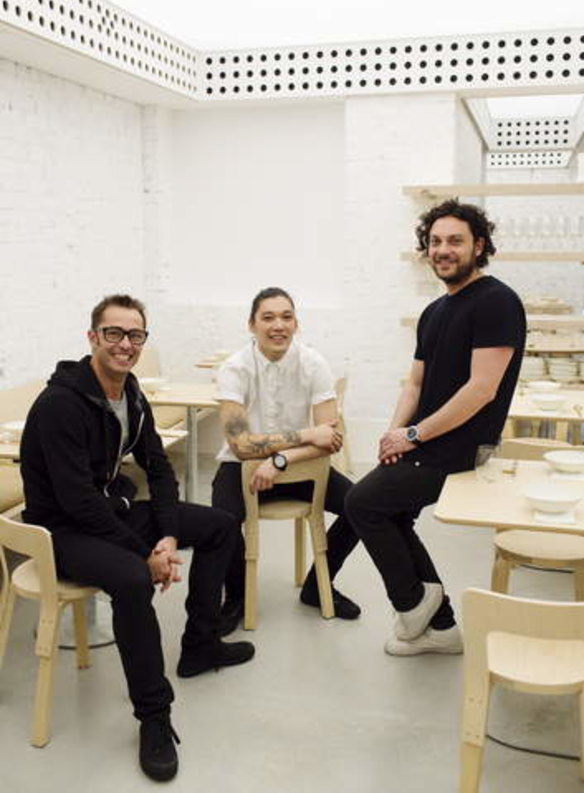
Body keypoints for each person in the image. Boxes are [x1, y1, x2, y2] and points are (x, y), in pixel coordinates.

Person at [20, 294, 255, 782]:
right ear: (92, 338)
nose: (125, 344)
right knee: (132, 580)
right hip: (62, 529)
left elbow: (159, 469)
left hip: (110, 514)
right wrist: (144, 552)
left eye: (135, 336)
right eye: (114, 334)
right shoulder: (61, 404)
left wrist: (166, 536)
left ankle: (200, 643)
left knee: (218, 525)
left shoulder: (131, 395)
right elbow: (76, 501)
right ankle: (154, 717)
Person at [345, 199, 526, 656]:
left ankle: (413, 606)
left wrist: (411, 436)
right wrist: (393, 435)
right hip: (426, 442)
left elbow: (481, 390)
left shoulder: (497, 302)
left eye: (455, 241)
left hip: (461, 449)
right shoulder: (434, 312)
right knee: (390, 511)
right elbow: (416, 383)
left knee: (362, 502)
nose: (444, 249)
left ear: (478, 246)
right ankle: (441, 628)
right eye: (436, 241)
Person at [212, 286, 361, 634]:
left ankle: (315, 588)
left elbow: (330, 439)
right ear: (251, 325)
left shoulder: (313, 362)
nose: (278, 325)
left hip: (298, 468)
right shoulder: (234, 368)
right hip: (240, 471)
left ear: (296, 324)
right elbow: (241, 447)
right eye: (268, 317)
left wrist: (280, 460)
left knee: (362, 506)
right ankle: (235, 597)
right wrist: (307, 435)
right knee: (221, 521)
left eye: (286, 316)